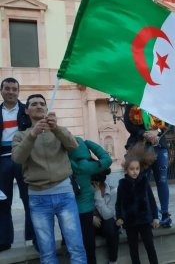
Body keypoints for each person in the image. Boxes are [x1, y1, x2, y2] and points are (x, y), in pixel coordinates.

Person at [11, 94, 86, 263]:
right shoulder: (20, 136)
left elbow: (74, 146)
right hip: (38, 198)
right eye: (34, 104)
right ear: (26, 110)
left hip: (64, 194)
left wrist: (57, 128)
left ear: (46, 108)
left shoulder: (58, 130)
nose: (38, 106)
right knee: (46, 252)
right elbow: (17, 158)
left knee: (76, 247)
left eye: (41, 104)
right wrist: (33, 135)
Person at [0, 77, 35, 251]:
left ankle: (33, 236)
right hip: (2, 160)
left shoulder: (25, 111)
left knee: (29, 198)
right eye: (7, 88)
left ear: (18, 92)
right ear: (1, 90)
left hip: (22, 158)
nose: (11, 92)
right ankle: (4, 240)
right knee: (2, 200)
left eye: (14, 89)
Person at [123, 104, 172, 227]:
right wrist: (143, 133)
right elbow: (129, 124)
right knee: (142, 181)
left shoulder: (158, 102)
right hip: (141, 148)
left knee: (162, 180)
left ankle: (165, 214)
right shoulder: (132, 103)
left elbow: (168, 121)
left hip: (160, 147)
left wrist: (157, 132)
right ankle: (148, 214)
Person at [68, 137, 112, 264]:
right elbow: (107, 159)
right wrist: (90, 144)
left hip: (69, 210)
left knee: (74, 247)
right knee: (89, 247)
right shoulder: (87, 166)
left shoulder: (67, 163)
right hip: (86, 211)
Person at [116, 144, 159, 264]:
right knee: (133, 249)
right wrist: (119, 217)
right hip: (129, 222)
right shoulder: (122, 184)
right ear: (126, 169)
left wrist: (155, 217)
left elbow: (151, 200)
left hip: (145, 220)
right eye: (132, 169)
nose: (135, 172)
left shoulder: (144, 181)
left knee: (150, 246)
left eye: (137, 169)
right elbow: (118, 203)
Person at [92, 168, 119, 264]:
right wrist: (92, 218)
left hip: (108, 224)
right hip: (94, 224)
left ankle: (113, 261)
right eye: (93, 183)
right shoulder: (88, 191)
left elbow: (108, 215)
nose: (94, 186)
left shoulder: (113, 190)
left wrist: (98, 194)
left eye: (96, 183)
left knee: (109, 223)